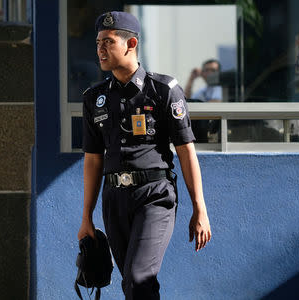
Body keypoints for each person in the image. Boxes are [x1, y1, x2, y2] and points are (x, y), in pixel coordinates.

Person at [77, 11, 212, 299]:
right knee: (131, 283)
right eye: (98, 42)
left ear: (131, 44)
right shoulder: (93, 98)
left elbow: (186, 151)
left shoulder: (164, 90)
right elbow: (92, 160)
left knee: (139, 278)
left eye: (108, 42)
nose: (100, 48)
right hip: (114, 200)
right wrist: (86, 217)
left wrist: (199, 208)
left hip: (155, 196)